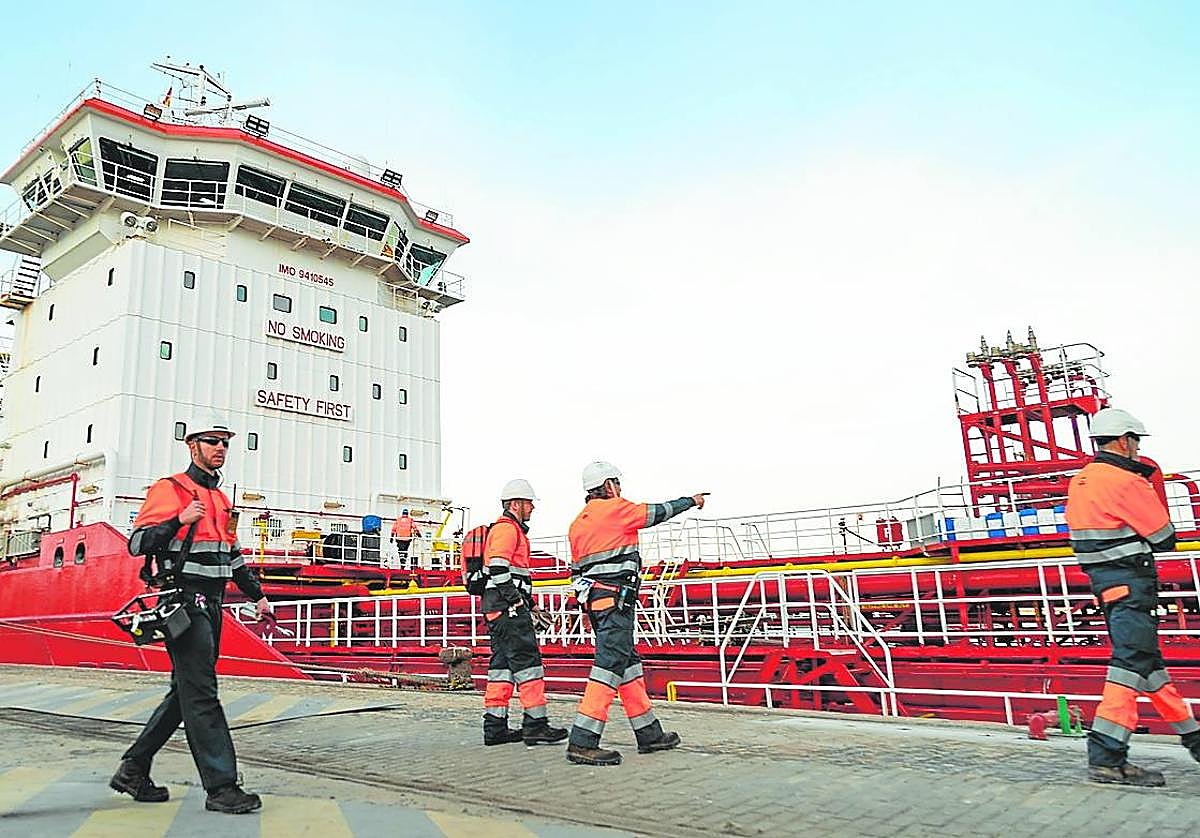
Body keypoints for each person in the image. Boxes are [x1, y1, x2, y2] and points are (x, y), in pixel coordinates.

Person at [110, 414, 273, 814]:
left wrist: (259, 596)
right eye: (212, 441)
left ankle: (133, 768)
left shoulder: (220, 500)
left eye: (225, 443)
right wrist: (176, 520)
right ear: (192, 446)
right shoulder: (171, 490)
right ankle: (221, 788)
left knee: (185, 692)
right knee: (202, 693)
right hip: (184, 602)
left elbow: (232, 557)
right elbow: (137, 543)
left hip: (212, 604)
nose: (220, 448)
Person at [1066, 407, 1199, 787]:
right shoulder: (1126, 481)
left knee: (1149, 667)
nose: (1138, 450)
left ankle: (1194, 738)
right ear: (1125, 441)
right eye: (1137, 442)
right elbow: (1164, 537)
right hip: (1133, 584)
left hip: (1106, 585)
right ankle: (1107, 756)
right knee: (1130, 665)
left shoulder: (1081, 481)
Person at [565, 461, 707, 766]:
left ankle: (649, 734)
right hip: (617, 603)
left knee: (628, 666)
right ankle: (582, 741)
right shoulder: (615, 509)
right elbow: (657, 512)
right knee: (608, 667)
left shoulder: (577, 524)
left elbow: (576, 572)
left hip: (597, 603)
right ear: (608, 486)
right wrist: (690, 501)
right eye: (616, 483)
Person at [481, 479, 569, 746]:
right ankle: (536, 726)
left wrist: (530, 604)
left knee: (502, 668)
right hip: (507, 611)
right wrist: (517, 604)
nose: (532, 508)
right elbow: (498, 568)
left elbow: (512, 576)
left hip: (498, 608)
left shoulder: (508, 531)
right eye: (529, 503)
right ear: (516, 504)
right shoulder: (507, 530)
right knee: (529, 665)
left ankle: (495, 729)